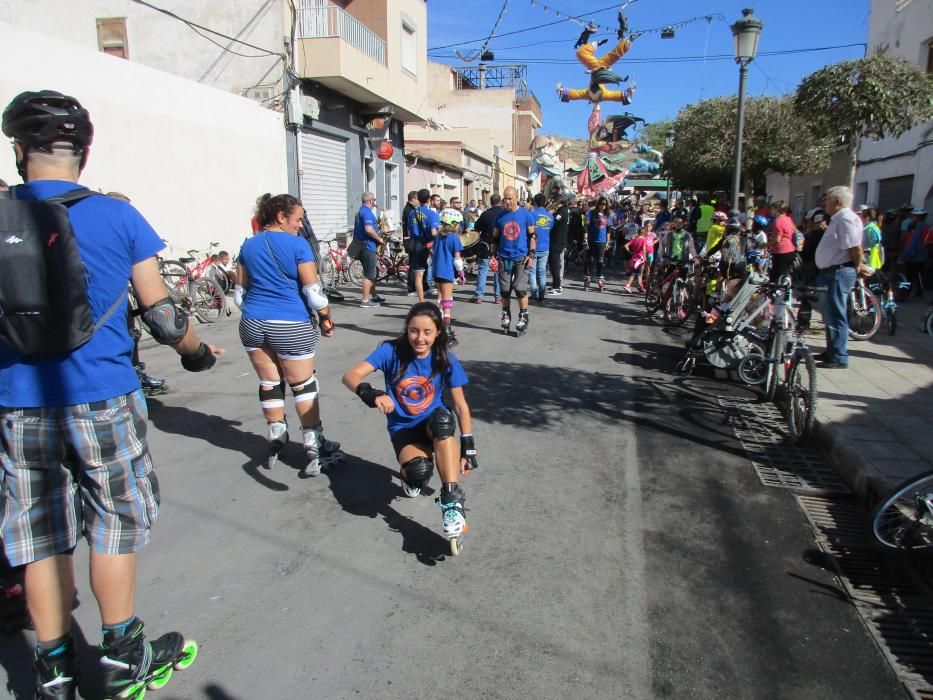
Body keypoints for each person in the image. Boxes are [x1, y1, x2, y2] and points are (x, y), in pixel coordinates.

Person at [1, 89, 223, 698]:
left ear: (19, 150)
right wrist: (198, 355)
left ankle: (52, 667)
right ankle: (124, 650)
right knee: (115, 521)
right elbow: (164, 318)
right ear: (84, 152)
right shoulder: (118, 217)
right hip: (103, 394)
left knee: (38, 531)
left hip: (17, 400)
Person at [342, 303, 477, 555]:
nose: (420, 338)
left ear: (438, 332)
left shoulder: (444, 358)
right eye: (414, 331)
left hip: (432, 424)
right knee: (419, 471)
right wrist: (371, 393)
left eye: (427, 332)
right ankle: (411, 473)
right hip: (403, 429)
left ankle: (451, 504)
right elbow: (350, 376)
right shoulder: (390, 351)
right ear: (407, 329)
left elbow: (460, 404)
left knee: (444, 422)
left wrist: (468, 446)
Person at [234, 193, 340, 475]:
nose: (300, 224)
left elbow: (240, 296)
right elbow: (313, 293)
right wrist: (327, 317)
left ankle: (276, 434)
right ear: (281, 217)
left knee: (270, 382)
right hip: (290, 323)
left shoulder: (247, 246)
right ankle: (314, 443)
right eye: (298, 218)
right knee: (303, 384)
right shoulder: (298, 245)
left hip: (252, 323)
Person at [815, 186, 867, 368]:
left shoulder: (845, 218)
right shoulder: (839, 219)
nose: (825, 203)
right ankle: (832, 351)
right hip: (832, 271)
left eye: (828, 199)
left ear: (837, 202)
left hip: (838, 272)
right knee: (830, 313)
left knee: (836, 313)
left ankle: (838, 355)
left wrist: (857, 266)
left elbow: (854, 247)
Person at [492, 186, 536, 335]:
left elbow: (533, 236)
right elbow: (495, 238)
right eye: (505, 198)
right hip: (504, 257)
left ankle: (524, 316)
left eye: (510, 198)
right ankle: (506, 314)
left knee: (520, 288)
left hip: (521, 258)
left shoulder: (526, 215)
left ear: (517, 198)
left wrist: (531, 254)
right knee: (504, 290)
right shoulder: (500, 216)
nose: (507, 201)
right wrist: (493, 255)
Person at [433, 208, 465, 347]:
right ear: (453, 224)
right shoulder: (454, 238)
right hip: (446, 272)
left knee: (440, 300)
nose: (459, 226)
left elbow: (432, 253)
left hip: (436, 271)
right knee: (447, 302)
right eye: (458, 223)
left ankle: (438, 329)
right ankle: (446, 331)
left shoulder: (438, 237)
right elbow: (457, 259)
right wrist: (462, 273)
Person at [351, 192, 385, 308]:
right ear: (370, 201)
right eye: (374, 200)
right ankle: (365, 300)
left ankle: (374, 296)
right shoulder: (367, 212)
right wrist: (379, 238)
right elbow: (369, 229)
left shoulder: (360, 212)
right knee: (369, 275)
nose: (374, 203)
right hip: (367, 246)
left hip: (362, 245)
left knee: (372, 273)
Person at [470, 193, 503, 303]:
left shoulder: (485, 214)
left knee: (482, 271)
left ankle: (479, 296)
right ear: (500, 201)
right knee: (498, 272)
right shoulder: (504, 214)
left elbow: (476, 228)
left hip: (485, 244)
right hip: (499, 245)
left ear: (491, 202)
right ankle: (498, 297)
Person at [408, 189, 439, 303]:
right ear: (429, 200)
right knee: (437, 271)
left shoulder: (412, 213)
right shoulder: (432, 214)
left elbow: (410, 232)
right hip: (430, 245)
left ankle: (421, 302)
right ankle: (440, 300)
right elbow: (433, 233)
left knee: (418, 274)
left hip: (417, 244)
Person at [528, 193, 553, 302]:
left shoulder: (532, 215)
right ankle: (542, 295)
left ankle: (534, 294)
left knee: (532, 272)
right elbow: (550, 228)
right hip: (545, 246)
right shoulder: (550, 216)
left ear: (535, 203)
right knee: (542, 272)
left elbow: (528, 230)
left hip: (534, 247)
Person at [901, 208, 930, 298]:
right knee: (909, 275)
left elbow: (927, 242)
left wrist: (916, 250)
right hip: (909, 255)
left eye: (913, 216)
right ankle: (906, 293)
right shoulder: (911, 226)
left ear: (918, 217)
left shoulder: (926, 228)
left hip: (918, 256)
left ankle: (914, 292)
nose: (911, 217)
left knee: (915, 275)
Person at [583, 197, 610, 291]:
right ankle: (587, 278)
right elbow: (586, 226)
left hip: (601, 241)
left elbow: (608, 230)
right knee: (589, 260)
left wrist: (608, 241)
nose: (603, 206)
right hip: (591, 240)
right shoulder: (591, 213)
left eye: (605, 204)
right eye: (601, 204)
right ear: (598, 204)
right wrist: (585, 239)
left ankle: (600, 278)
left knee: (600, 261)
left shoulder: (607, 214)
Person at [768, 200, 798, 282]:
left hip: (781, 251)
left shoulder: (778, 220)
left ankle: (778, 293)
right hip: (790, 250)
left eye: (772, 209)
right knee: (783, 275)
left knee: (776, 278)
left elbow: (777, 239)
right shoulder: (789, 219)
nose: (771, 211)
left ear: (777, 210)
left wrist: (765, 245)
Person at [547, 195, 570, 296]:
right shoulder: (565, 210)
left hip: (557, 241)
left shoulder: (562, 211)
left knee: (555, 264)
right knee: (554, 264)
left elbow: (553, 223)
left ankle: (557, 287)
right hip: (559, 240)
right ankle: (555, 284)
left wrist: (550, 213)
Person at [622, 227, 649, 293]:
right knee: (638, 272)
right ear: (644, 232)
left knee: (636, 272)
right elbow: (644, 248)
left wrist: (630, 252)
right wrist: (644, 257)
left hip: (634, 257)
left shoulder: (635, 239)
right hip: (640, 257)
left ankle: (640, 287)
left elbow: (626, 245)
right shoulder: (644, 240)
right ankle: (628, 285)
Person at [402, 190, 419, 294]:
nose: (418, 201)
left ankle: (416, 286)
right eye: (417, 199)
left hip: (410, 239)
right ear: (412, 199)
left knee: (415, 264)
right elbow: (411, 227)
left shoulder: (411, 209)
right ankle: (411, 288)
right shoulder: (409, 210)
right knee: (413, 265)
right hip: (410, 240)